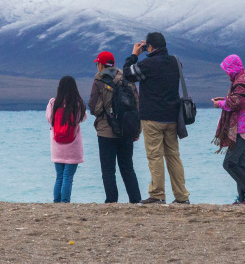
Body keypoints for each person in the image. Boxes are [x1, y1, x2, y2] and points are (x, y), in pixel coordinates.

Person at [123, 32, 191, 205]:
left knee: (155, 156)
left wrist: (134, 55)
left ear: (150, 47)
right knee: (173, 156)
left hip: (152, 118)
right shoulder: (176, 62)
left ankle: (157, 194)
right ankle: (182, 196)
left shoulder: (147, 64)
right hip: (173, 118)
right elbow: (169, 63)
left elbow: (128, 74)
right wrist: (151, 50)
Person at [88, 50, 142, 203]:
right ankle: (136, 200)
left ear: (101, 65)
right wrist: (137, 130)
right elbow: (136, 106)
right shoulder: (127, 78)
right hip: (127, 130)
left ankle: (112, 201)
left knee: (108, 170)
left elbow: (93, 107)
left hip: (106, 132)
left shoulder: (99, 81)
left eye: (97, 64)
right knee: (127, 167)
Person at [213, 54, 245, 205]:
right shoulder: (241, 80)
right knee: (240, 163)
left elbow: (234, 103)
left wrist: (221, 104)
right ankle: (243, 198)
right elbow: (237, 100)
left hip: (243, 129)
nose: (227, 73)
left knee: (229, 163)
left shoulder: (242, 82)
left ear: (233, 68)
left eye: (227, 69)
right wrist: (223, 100)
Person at [46, 75, 86, 203]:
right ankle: (65, 201)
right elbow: (82, 118)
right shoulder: (77, 104)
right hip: (73, 146)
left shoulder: (53, 103)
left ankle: (56, 201)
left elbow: (49, 119)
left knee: (59, 177)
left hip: (57, 146)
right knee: (68, 177)